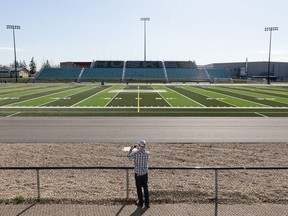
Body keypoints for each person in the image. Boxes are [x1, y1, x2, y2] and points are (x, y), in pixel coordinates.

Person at [127, 140, 150, 208]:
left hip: (138, 173)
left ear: (139, 145)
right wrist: (139, 148)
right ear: (145, 146)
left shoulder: (136, 153)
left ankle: (141, 203)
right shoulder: (147, 153)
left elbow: (128, 156)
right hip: (145, 173)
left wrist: (131, 149)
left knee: (139, 188)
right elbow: (144, 151)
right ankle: (147, 203)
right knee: (145, 188)